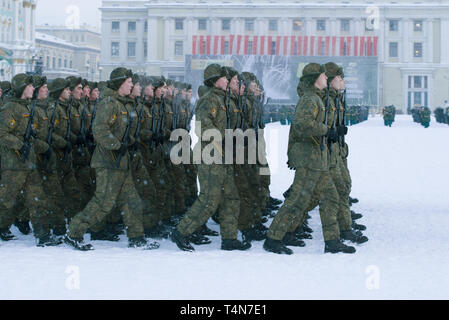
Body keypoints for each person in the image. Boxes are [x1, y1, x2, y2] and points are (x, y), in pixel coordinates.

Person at [263, 63, 356, 255]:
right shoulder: (310, 99)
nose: (325, 78)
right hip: (309, 158)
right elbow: (301, 125)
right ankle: (273, 237)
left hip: (317, 157)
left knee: (330, 197)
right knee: (297, 199)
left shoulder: (316, 98)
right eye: (323, 75)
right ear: (315, 78)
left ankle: (332, 241)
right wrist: (327, 130)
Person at [64, 68, 156, 251]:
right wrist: (117, 145)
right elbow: (99, 130)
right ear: (120, 83)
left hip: (122, 162)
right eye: (129, 81)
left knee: (131, 201)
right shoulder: (109, 103)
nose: (132, 85)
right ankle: (74, 233)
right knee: (103, 202)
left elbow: (122, 131)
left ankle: (136, 237)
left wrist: (129, 142)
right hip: (108, 162)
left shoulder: (125, 104)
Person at [171, 64, 250, 252]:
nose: (227, 81)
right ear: (215, 81)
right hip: (211, 156)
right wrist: (226, 138)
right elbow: (204, 128)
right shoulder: (209, 100)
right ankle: (181, 232)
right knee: (209, 200)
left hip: (226, 157)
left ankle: (229, 238)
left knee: (231, 197)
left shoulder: (226, 100)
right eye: (224, 78)